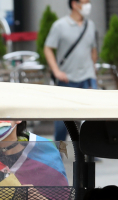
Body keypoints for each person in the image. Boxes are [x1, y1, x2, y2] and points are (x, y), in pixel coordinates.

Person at [43, 0, 98, 142]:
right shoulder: (60, 25)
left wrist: (93, 71)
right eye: (85, 2)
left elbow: (93, 50)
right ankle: (59, 151)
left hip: (87, 78)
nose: (88, 6)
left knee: (91, 119)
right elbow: (48, 48)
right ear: (74, 4)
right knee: (63, 123)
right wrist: (56, 71)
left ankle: (90, 152)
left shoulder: (90, 25)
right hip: (67, 80)